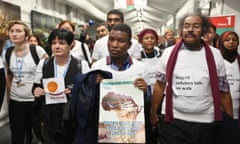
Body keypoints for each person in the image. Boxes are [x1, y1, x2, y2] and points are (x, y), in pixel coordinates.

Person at [150, 13, 233, 144]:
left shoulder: (215, 54)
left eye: (196, 26)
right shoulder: (168, 53)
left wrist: (230, 120)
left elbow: (223, 90)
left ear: (203, 30)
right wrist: (153, 112)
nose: (190, 29)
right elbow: (160, 85)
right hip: (173, 120)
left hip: (205, 121)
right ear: (181, 30)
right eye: (186, 26)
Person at [92, 24, 149, 143]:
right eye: (111, 40)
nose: (114, 45)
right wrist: (93, 85)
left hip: (132, 130)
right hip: (105, 128)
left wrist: (144, 91)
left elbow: (147, 101)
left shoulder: (140, 68)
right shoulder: (98, 66)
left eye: (120, 41)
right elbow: (89, 100)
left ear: (129, 45)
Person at [32, 29, 89, 144]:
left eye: (62, 43)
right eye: (54, 43)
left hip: (72, 117)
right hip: (50, 116)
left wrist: (75, 92)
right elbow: (36, 86)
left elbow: (88, 91)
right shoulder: (44, 64)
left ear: (71, 44)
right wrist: (36, 91)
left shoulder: (81, 65)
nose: (57, 46)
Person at [4, 20, 47, 144]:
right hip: (16, 101)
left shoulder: (36, 50)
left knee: (39, 134)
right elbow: (9, 76)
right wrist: (9, 99)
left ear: (26, 35)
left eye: (18, 31)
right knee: (17, 135)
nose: (14, 34)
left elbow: (49, 71)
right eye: (11, 31)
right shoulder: (8, 52)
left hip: (34, 102)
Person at [138, 28, 161, 143]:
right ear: (141, 41)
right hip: (145, 96)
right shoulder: (137, 57)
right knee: (146, 123)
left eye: (152, 38)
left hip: (160, 94)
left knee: (159, 124)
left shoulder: (162, 55)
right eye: (146, 38)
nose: (150, 41)